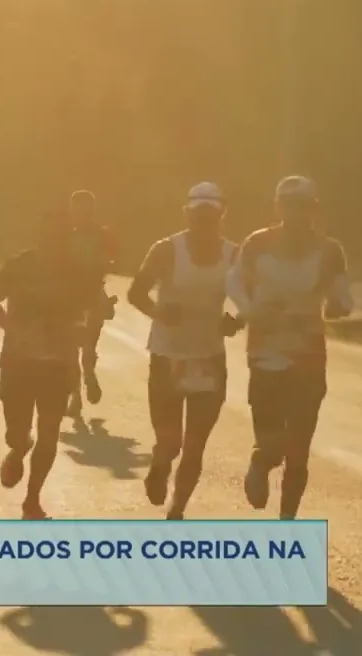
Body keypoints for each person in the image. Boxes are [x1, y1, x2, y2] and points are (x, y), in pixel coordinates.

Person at [225, 175, 353, 520]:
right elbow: (234, 280)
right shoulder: (256, 244)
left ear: (314, 210)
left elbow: (342, 297)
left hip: (308, 356)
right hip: (265, 355)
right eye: (288, 207)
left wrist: (338, 307)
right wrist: (250, 311)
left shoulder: (329, 250)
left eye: (303, 208)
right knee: (271, 444)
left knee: (298, 452)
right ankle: (260, 460)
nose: (296, 215)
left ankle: (287, 526)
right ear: (278, 207)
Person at [127, 182, 243, 520]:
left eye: (211, 216)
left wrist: (235, 321)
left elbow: (249, 300)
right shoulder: (165, 250)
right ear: (187, 214)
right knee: (171, 442)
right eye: (198, 215)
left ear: (221, 215)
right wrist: (159, 313)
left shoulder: (234, 255)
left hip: (209, 357)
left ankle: (177, 509)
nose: (204, 223)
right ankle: (160, 464)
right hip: (168, 356)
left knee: (194, 446)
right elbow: (136, 293)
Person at [0, 209, 98, 520]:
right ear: (39, 236)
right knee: (17, 435)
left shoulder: (76, 271)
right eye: (48, 235)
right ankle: (18, 450)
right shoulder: (20, 264)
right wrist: (13, 330)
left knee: (49, 434)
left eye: (60, 236)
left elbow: (91, 310)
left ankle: (32, 500)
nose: (54, 241)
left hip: (57, 365)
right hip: (18, 363)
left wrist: (85, 342)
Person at [67, 190, 118, 418]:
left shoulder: (65, 234)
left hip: (71, 296)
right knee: (88, 346)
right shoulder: (102, 234)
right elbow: (110, 261)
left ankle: (75, 398)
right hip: (94, 293)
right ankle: (87, 373)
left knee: (69, 349)